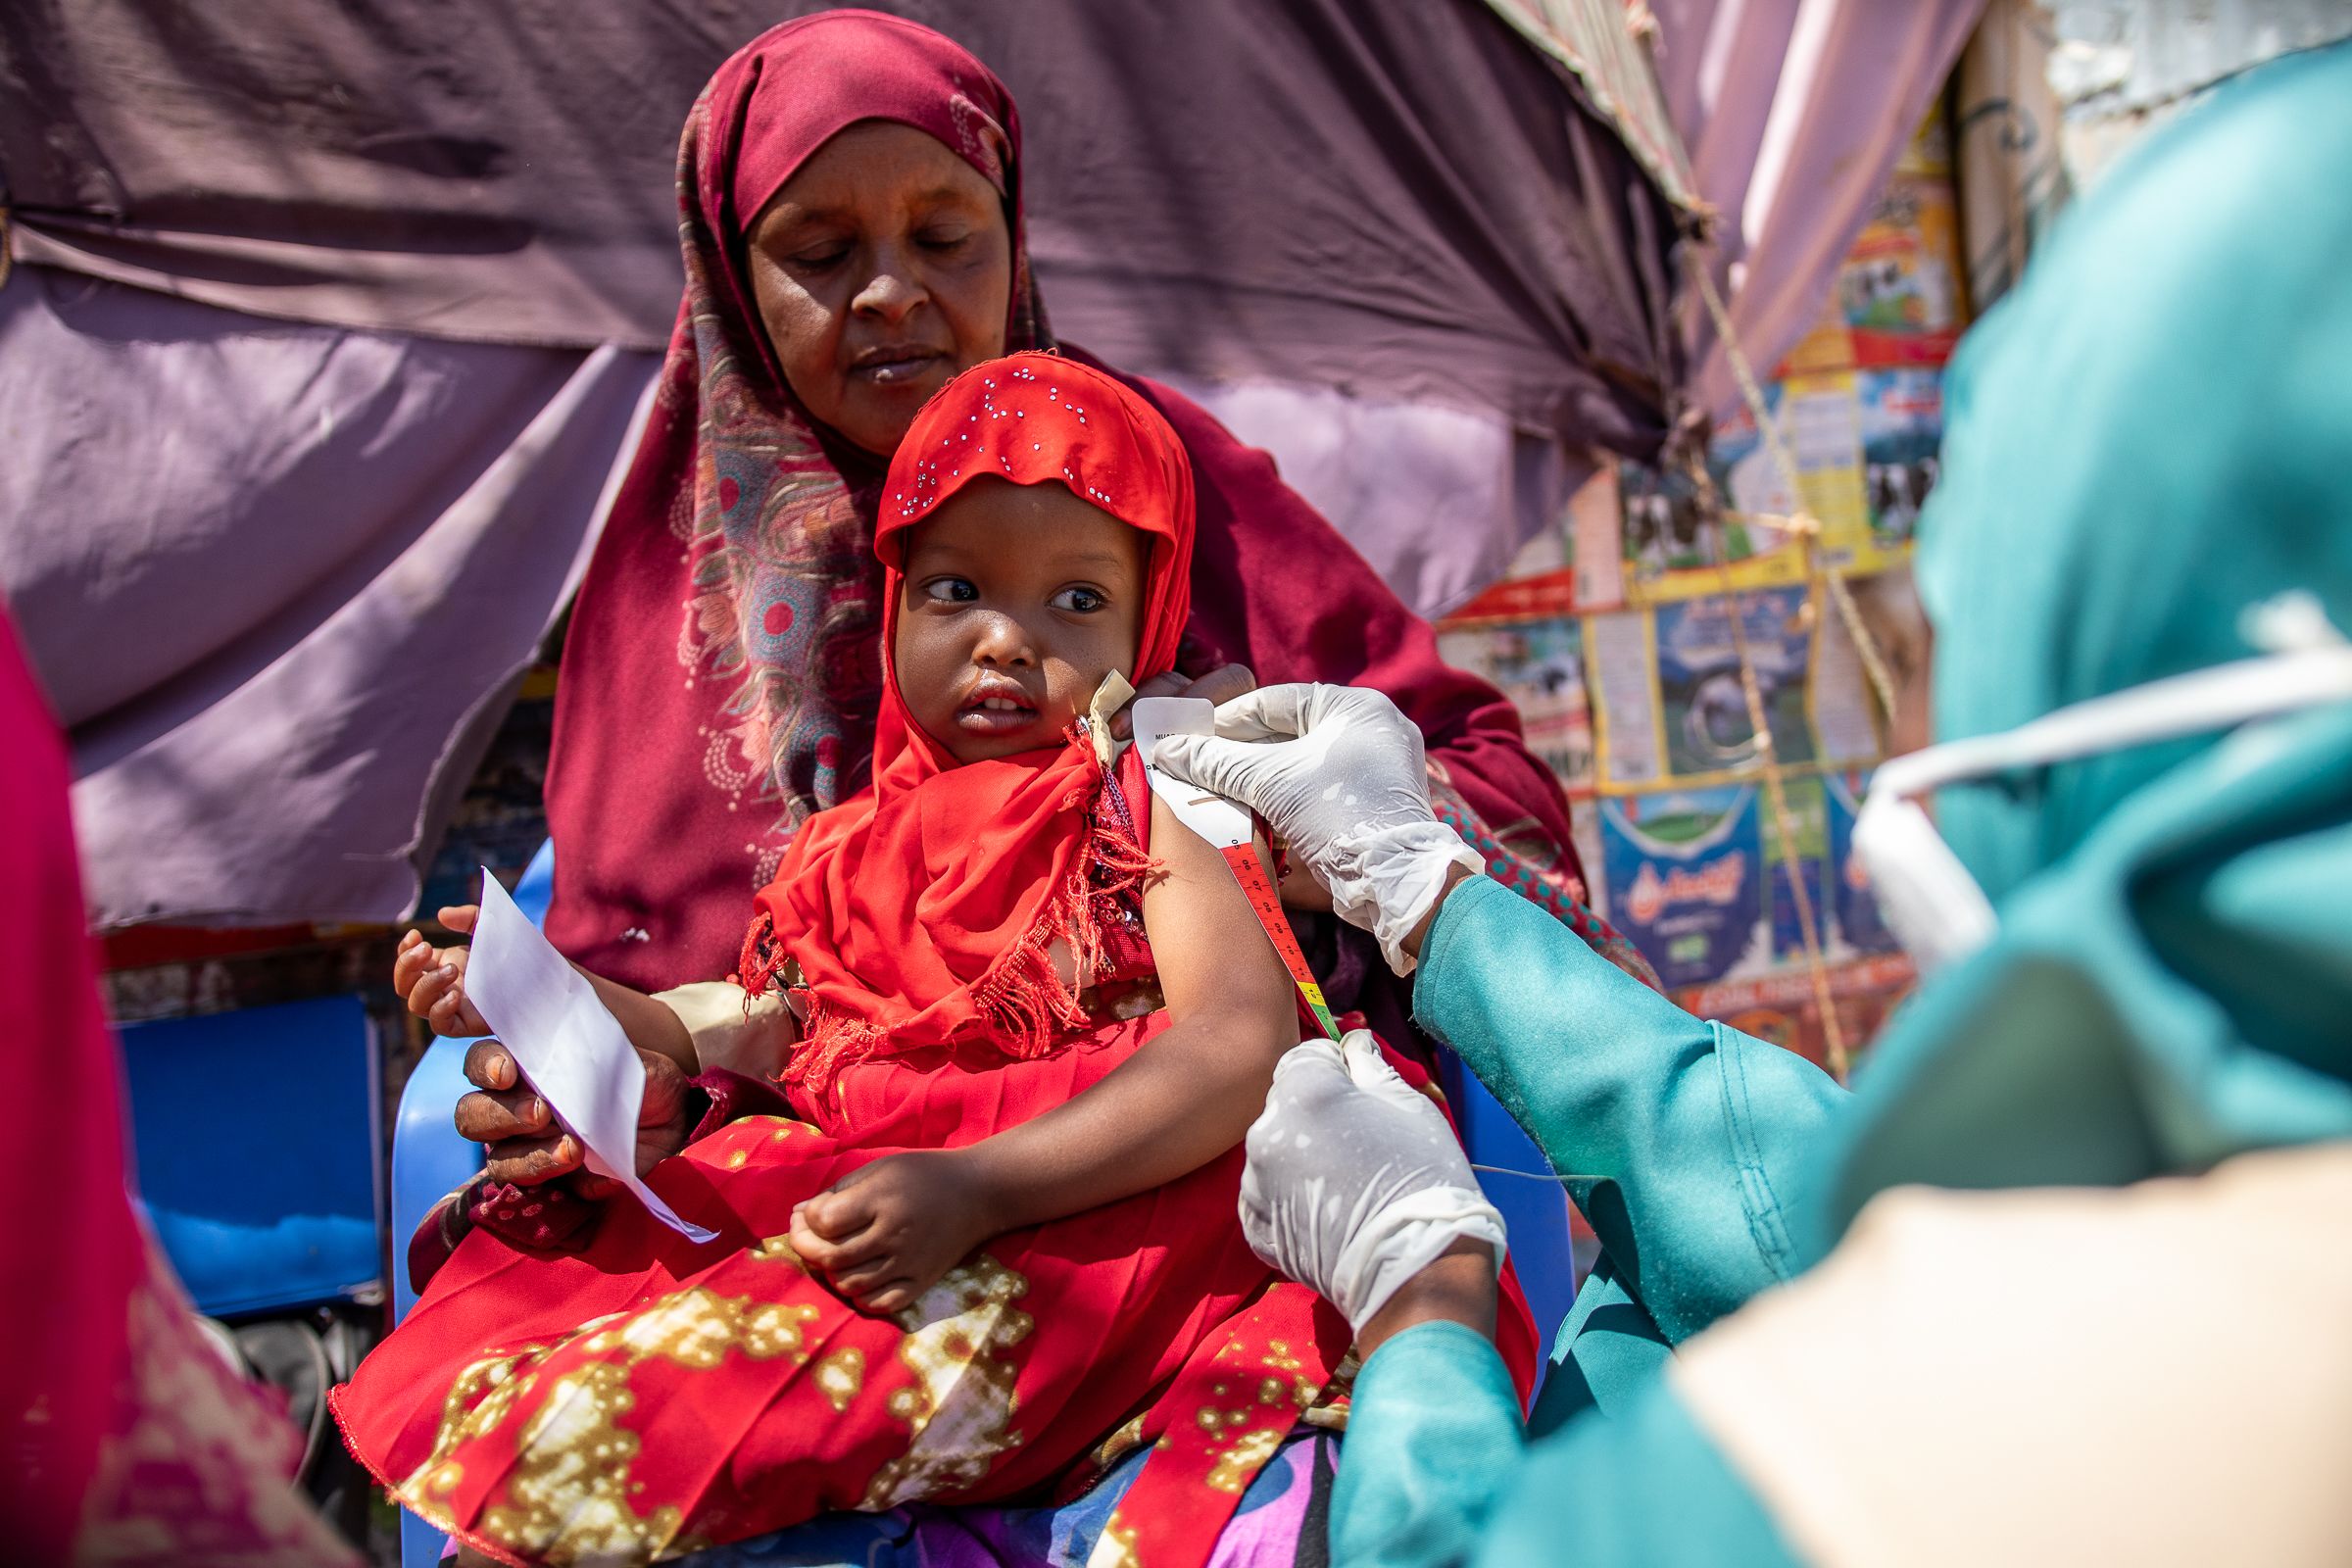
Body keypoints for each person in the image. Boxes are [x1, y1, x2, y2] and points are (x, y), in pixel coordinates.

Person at [1151, 40, 2352, 1566]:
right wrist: (1430, 899)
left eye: (1938, 626)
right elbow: (1786, 1190)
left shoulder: (1963, 1439)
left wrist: (1420, 1318)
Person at [337, 354, 1539, 1568]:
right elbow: (753, 1035)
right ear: (895, 602)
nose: (1006, 643)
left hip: (1100, 1228)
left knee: (633, 1441)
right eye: (957, 589)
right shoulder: (843, 846)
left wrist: (978, 1190)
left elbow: (1237, 1046)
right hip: (890, 1209)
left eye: (1075, 603)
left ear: (1149, 619)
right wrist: (550, 1000)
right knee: (547, 1407)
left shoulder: (1158, 788)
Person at [476, 11, 1635, 1198]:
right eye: (820, 254)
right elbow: (640, 1008)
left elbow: (1491, 786)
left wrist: (1270, 805)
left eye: (945, 235)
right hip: (794, 1190)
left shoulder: (1157, 483)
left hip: (1178, 1173)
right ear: (730, 274)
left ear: (1013, 236)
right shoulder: (667, 600)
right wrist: (645, 1086)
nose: (888, 292)